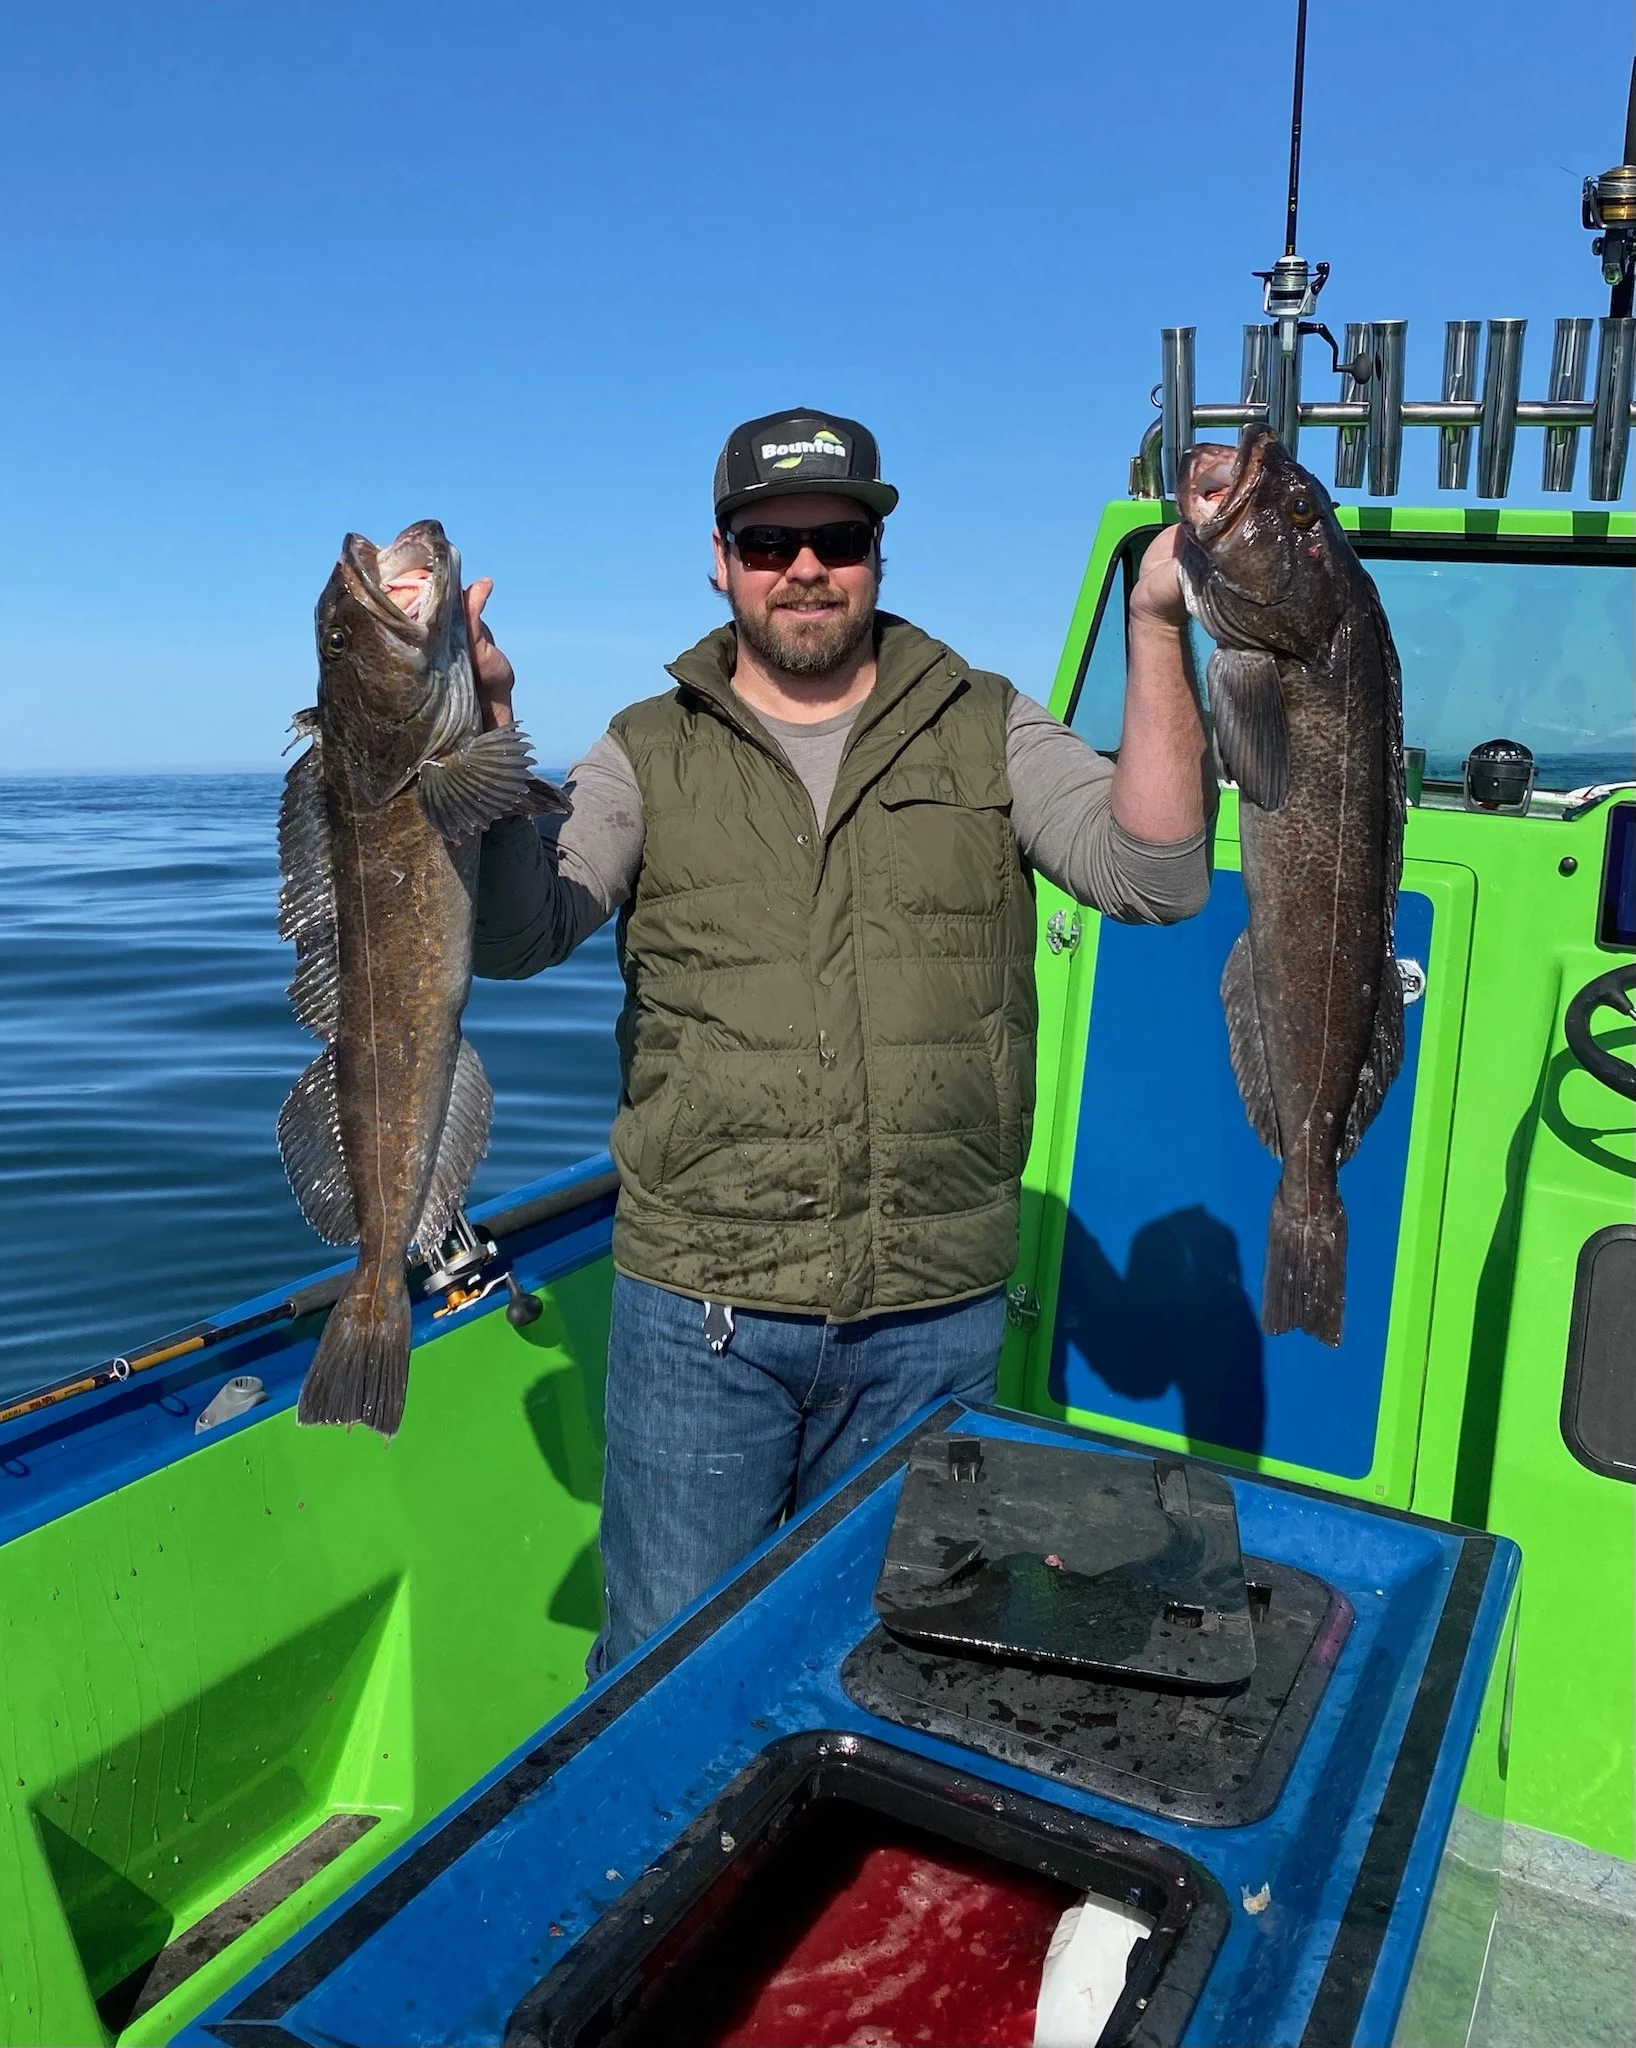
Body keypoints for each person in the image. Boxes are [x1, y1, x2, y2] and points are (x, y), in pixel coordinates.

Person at [463, 409, 1211, 1674]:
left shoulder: (987, 722)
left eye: (837, 537)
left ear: (875, 550)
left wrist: (1152, 622)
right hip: (701, 1313)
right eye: (770, 541)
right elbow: (520, 931)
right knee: (666, 1665)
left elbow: (1155, 873)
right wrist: (482, 734)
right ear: (721, 559)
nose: (804, 567)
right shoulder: (647, 747)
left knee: (899, 1660)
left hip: (932, 1313)